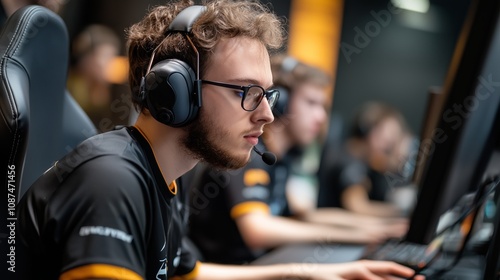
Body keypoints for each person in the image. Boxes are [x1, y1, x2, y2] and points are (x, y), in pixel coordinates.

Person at [16, 1, 423, 279]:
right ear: (176, 91)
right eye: (245, 92)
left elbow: (190, 273)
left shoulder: (160, 179)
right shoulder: (111, 182)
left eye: (268, 95)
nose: (266, 114)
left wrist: (313, 272)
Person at [187, 54, 409, 265]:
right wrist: (349, 236)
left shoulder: (278, 158)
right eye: (311, 103)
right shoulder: (247, 153)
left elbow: (302, 215)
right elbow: (258, 230)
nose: (321, 117)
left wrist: (373, 227)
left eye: (323, 107)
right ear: (280, 103)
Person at [317, 101, 416, 218]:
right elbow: (358, 207)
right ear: (366, 130)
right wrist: (404, 211)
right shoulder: (350, 163)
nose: (387, 148)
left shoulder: (350, 153)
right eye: (385, 139)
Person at [67, 24, 132, 132]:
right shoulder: (70, 88)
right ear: (86, 58)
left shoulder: (101, 92)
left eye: (113, 56)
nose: (110, 63)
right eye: (105, 56)